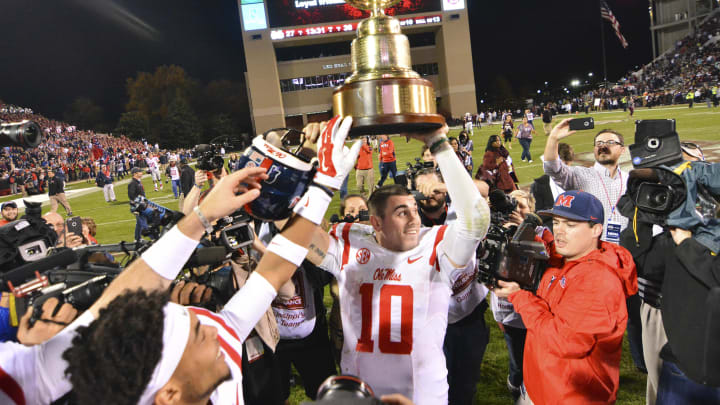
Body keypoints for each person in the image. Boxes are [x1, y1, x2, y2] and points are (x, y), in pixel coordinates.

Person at [63, 118, 373, 405]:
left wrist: (204, 215)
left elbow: (275, 270)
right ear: (169, 393)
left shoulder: (215, 347)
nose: (218, 331)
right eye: (201, 335)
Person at [305, 122, 491, 404]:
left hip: (423, 394)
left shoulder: (436, 245)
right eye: (402, 213)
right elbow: (298, 236)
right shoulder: (351, 243)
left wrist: (438, 143)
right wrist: (315, 167)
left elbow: (476, 219)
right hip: (359, 390)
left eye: (414, 210)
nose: (415, 219)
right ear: (376, 222)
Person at [494, 190, 638, 404]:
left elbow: (563, 342)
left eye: (570, 225)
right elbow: (552, 251)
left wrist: (519, 296)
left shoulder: (599, 282)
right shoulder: (570, 256)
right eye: (557, 222)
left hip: (568, 395)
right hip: (542, 384)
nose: (560, 231)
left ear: (596, 230)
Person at [128, 167, 148, 241]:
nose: (141, 173)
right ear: (135, 174)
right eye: (140, 172)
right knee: (142, 221)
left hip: (141, 204)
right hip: (137, 206)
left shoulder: (138, 182)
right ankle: (150, 235)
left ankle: (137, 238)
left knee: (139, 223)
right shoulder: (132, 183)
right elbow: (131, 196)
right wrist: (136, 205)